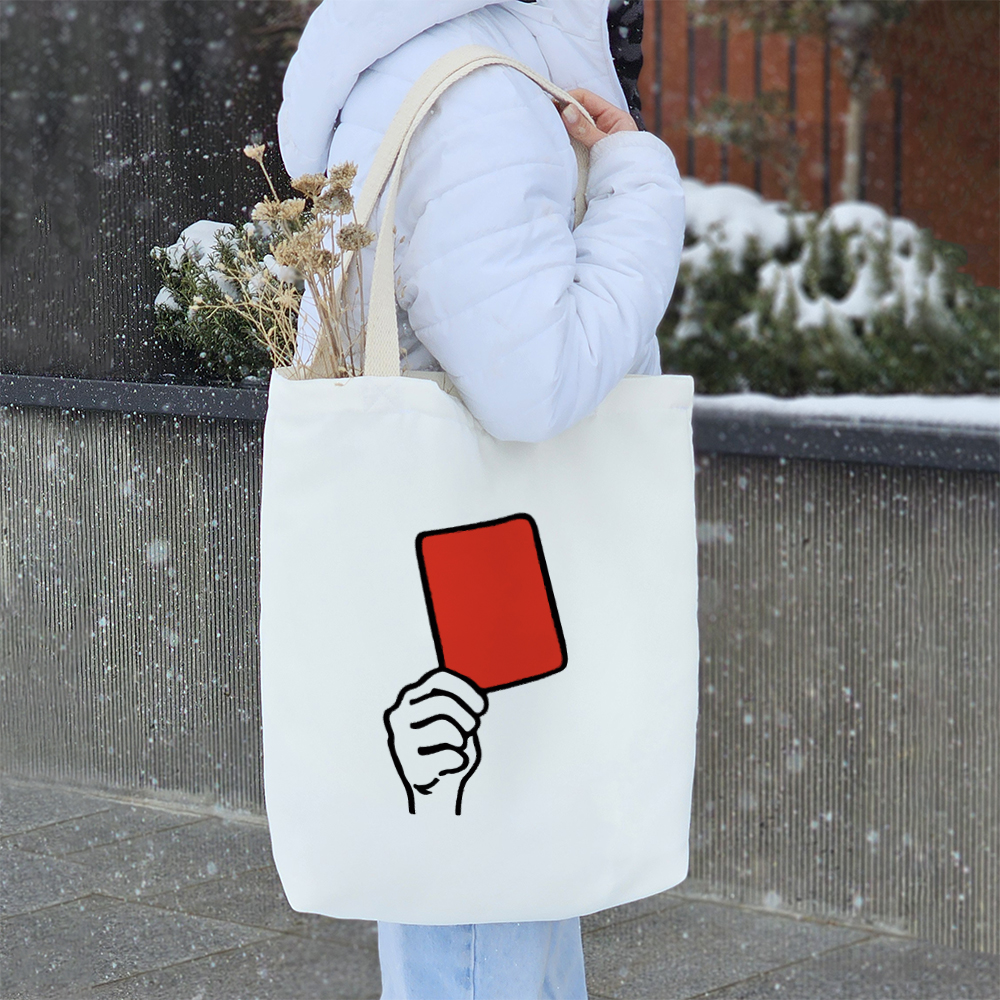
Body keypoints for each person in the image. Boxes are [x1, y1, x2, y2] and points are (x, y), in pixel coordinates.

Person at [278, 1, 685, 996]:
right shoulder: (478, 95)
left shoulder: (430, 61)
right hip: (487, 573)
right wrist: (637, 186)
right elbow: (532, 384)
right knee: (484, 898)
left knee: (495, 877)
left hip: (465, 565)